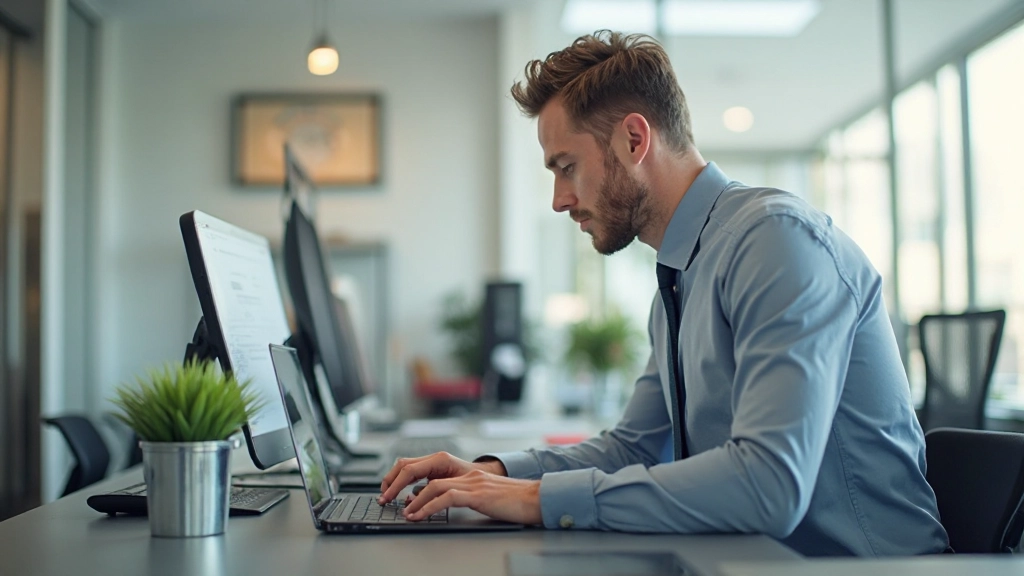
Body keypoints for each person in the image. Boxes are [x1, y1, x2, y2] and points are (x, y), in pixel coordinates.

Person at [378, 30, 948, 556]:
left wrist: (535, 498)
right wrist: (494, 473)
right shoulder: (680, 277)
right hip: (747, 561)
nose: (559, 199)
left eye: (566, 166)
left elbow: (769, 484)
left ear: (634, 139)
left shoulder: (776, 241)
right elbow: (632, 447)